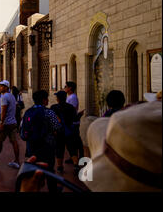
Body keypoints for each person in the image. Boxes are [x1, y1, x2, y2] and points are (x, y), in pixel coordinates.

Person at [20, 100, 162, 192]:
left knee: (48, 164)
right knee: (51, 163)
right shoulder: (52, 111)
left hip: (35, 144)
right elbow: (58, 126)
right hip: (51, 140)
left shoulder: (33, 111)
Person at [20, 90, 61, 191]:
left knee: (34, 167)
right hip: (46, 145)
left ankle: (35, 186)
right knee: (49, 168)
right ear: (44, 100)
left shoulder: (28, 112)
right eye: (46, 98)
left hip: (31, 145)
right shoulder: (49, 112)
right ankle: (53, 189)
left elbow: (22, 127)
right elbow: (57, 127)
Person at [0, 80, 21, 169]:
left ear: (6, 87)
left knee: (0, 140)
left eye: (1, 86)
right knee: (14, 142)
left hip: (6, 123)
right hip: (13, 122)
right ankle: (17, 161)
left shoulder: (4, 97)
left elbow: (4, 111)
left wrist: (1, 122)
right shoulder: (12, 96)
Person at [50, 91, 78, 173]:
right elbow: (75, 119)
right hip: (69, 131)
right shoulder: (71, 107)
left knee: (59, 149)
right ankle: (76, 164)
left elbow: (51, 119)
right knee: (72, 148)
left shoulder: (54, 107)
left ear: (58, 99)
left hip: (58, 132)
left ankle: (60, 166)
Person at [64, 81, 84, 160]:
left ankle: (79, 156)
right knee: (73, 140)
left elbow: (71, 110)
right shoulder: (69, 97)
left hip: (73, 122)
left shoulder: (73, 97)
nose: (64, 88)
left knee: (75, 140)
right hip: (70, 122)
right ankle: (73, 156)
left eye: (66, 86)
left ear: (70, 88)